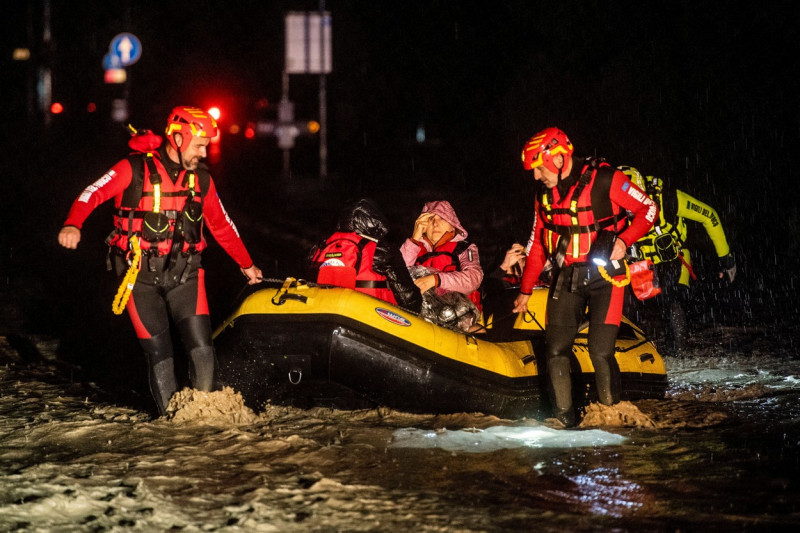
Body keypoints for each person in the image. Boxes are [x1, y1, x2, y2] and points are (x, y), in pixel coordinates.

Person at [58, 106, 263, 416]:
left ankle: (203, 418)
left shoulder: (202, 180)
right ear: (178, 139)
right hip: (138, 278)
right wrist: (73, 223)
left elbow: (221, 225)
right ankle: (171, 424)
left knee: (203, 349)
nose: (204, 153)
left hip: (186, 276)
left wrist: (246, 264)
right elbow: (92, 193)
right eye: (199, 145)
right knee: (159, 353)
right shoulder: (133, 168)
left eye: (206, 146)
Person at [511, 127, 657, 427]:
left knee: (600, 351)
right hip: (567, 276)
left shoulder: (606, 178)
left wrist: (624, 240)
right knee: (555, 350)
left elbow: (648, 209)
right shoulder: (542, 192)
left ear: (559, 159)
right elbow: (539, 244)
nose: (537, 176)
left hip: (607, 277)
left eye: (539, 168)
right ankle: (564, 421)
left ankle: (612, 417)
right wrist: (525, 291)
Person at [619, 166, 736, 350]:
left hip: (674, 256)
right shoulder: (610, 206)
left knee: (673, 301)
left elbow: (709, 216)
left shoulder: (668, 199)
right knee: (622, 301)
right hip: (639, 261)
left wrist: (726, 258)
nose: (627, 207)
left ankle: (679, 352)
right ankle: (626, 350)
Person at [309, 198, 422, 313]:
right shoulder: (382, 248)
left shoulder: (322, 245)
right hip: (369, 316)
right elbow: (409, 300)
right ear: (375, 221)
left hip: (324, 309)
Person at [400, 200, 483, 330]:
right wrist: (415, 238)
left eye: (442, 218)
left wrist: (435, 279)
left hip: (459, 319)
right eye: (430, 219)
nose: (435, 223)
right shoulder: (413, 247)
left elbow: (474, 278)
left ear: (453, 225)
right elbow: (397, 273)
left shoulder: (464, 248)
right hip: (420, 317)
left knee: (478, 331)